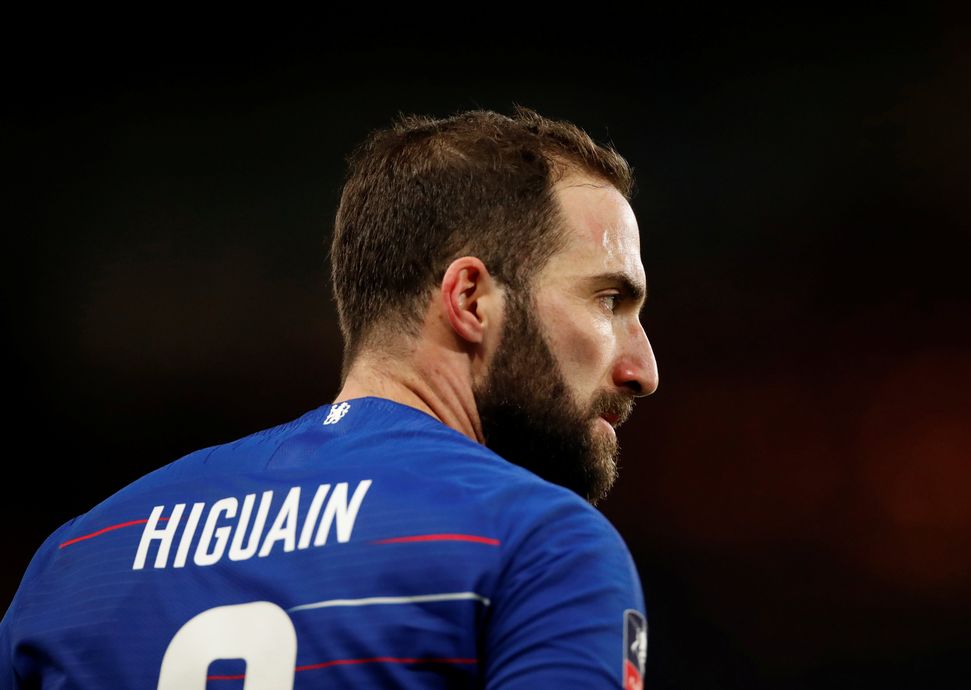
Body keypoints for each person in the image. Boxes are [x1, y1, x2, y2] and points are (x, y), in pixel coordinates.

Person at [0, 104, 658, 689]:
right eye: (609, 300)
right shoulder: (540, 548)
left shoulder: (76, 561)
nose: (643, 369)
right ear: (470, 300)